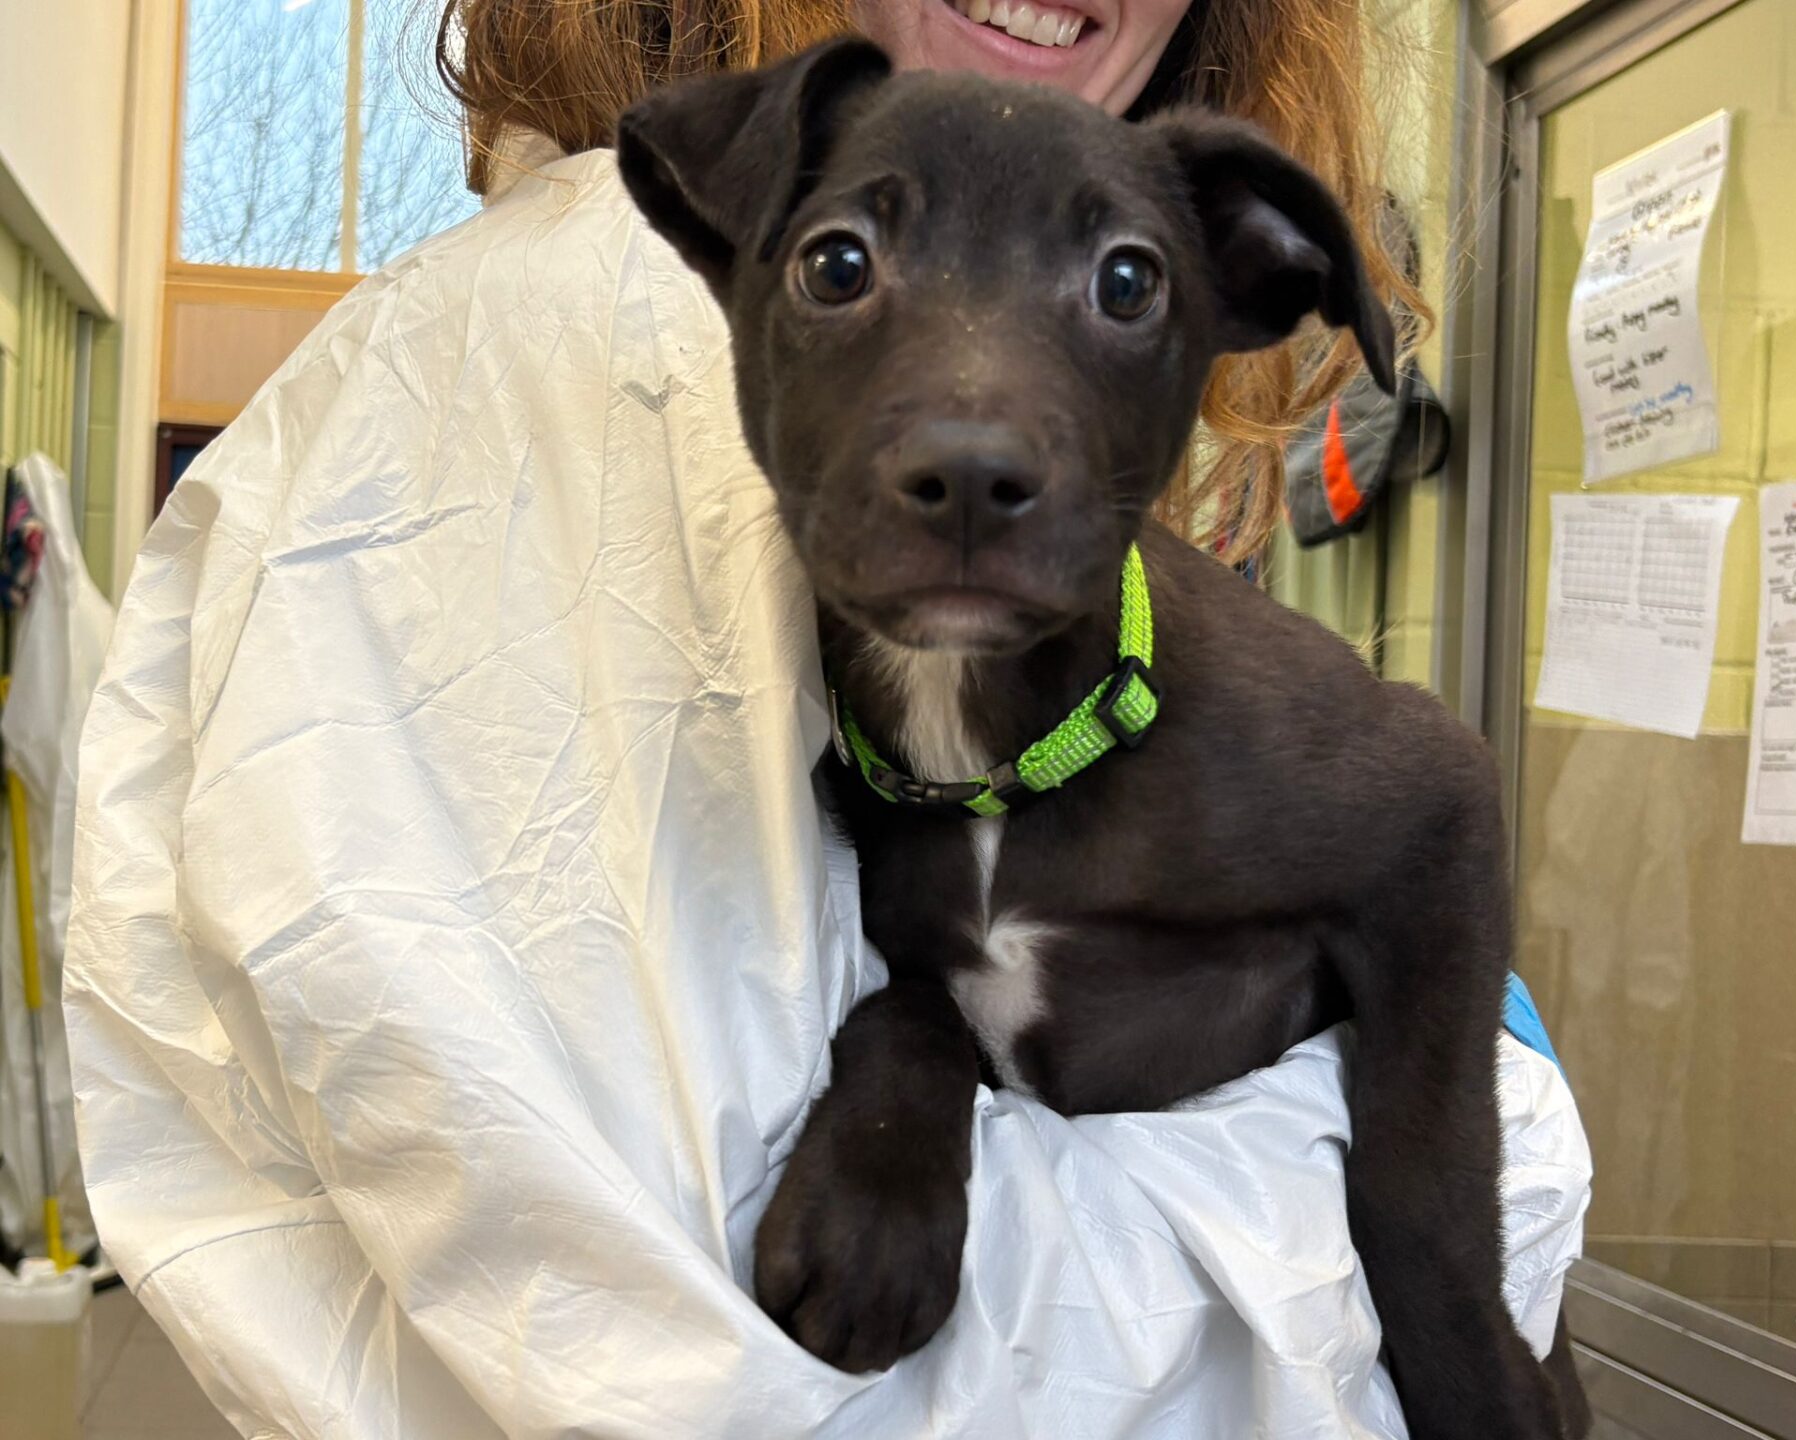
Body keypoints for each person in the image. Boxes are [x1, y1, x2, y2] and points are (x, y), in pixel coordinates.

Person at [64, 3, 1589, 1436]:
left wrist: (1437, 1244)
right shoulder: (571, 353)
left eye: (1122, 287)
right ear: (716, 242)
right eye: (844, 269)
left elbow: (1433, 813)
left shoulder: (1148, 715)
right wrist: (907, 1062)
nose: (976, 444)